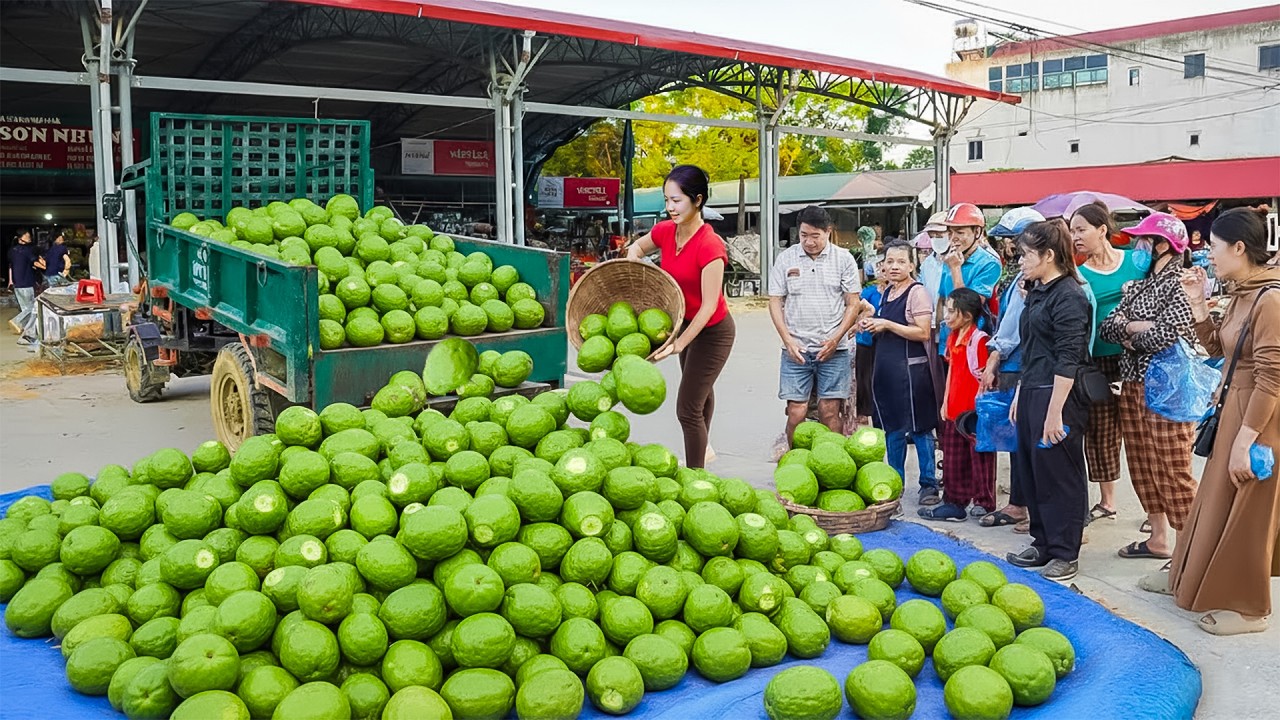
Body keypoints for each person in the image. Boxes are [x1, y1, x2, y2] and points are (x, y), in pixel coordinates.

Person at [1158, 208, 1280, 636]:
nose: (1207, 254)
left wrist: (1246, 440)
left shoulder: (1270, 300)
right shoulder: (1244, 292)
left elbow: (1272, 377)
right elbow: (1217, 349)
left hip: (1258, 416)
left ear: (1239, 248)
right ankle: (1190, 579)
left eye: (1213, 246)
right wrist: (1197, 303)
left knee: (1249, 510)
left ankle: (1249, 609)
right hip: (1236, 408)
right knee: (1216, 501)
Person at [1099, 213, 1198, 561]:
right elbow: (1107, 327)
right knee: (1142, 463)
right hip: (1132, 383)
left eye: (1143, 241)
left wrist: (1131, 334)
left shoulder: (1181, 283)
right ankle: (1158, 539)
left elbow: (1166, 335)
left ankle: (1189, 551)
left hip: (1168, 388)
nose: (1137, 247)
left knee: (1173, 467)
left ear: (1162, 245)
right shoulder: (1139, 284)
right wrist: (1134, 328)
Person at [626, 165, 734, 468]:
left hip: (712, 331)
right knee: (700, 393)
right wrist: (635, 263)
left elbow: (709, 306)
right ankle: (703, 447)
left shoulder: (710, 245)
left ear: (697, 200)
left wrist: (679, 344)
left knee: (687, 409)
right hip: (684, 322)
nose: (670, 207)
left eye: (677, 201)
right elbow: (636, 248)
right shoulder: (665, 231)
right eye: (667, 200)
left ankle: (695, 474)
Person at [1005, 221, 1092, 582]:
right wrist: (1020, 392)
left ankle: (1065, 551)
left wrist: (1055, 412)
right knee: (1033, 471)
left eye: (1026, 254)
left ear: (1049, 255)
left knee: (1060, 474)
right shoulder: (1038, 291)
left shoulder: (1069, 295)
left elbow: (1069, 356)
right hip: (1033, 388)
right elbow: (1031, 348)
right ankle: (1042, 541)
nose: (1020, 261)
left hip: (1060, 394)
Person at [1071, 202, 1147, 525]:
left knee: (1141, 432)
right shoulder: (1080, 275)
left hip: (1137, 359)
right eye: (1072, 231)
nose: (1075, 237)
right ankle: (1107, 502)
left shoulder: (1136, 262)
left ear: (1102, 230)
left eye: (1081, 229)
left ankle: (1153, 510)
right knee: (1101, 432)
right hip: (1099, 361)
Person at [767, 205, 861, 444]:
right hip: (796, 350)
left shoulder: (843, 259)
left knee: (829, 411)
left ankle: (835, 456)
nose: (809, 242)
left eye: (815, 236)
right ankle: (794, 458)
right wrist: (788, 341)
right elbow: (775, 301)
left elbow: (853, 303)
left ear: (828, 231)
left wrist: (836, 339)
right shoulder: (786, 258)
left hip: (834, 349)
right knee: (796, 412)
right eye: (804, 235)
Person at [977, 207, 1046, 532]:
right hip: (1013, 364)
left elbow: (1014, 328)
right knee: (1017, 441)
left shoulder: (1037, 281)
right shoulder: (1019, 276)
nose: (1010, 248)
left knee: (1032, 442)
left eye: (1014, 241)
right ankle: (1020, 502)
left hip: (1025, 367)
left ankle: (1031, 507)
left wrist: (995, 356)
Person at [859, 241, 940, 504]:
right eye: (889, 262)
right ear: (882, 266)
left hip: (912, 372)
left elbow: (923, 332)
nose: (894, 267)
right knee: (892, 429)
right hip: (887, 372)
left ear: (912, 265)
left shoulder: (917, 293)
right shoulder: (887, 293)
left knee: (920, 428)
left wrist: (886, 324)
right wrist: (871, 322)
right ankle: (895, 484)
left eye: (901, 262)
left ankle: (928, 485)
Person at [919, 287, 996, 521]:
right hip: (954, 411)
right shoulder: (953, 337)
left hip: (974, 413)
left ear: (967, 316)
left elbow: (985, 380)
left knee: (980, 458)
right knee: (953, 459)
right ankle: (954, 501)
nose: (947, 316)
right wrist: (945, 403)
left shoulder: (979, 340)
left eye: (952, 311)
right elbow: (952, 371)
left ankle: (984, 501)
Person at [937, 203, 1003, 355]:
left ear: (977, 232)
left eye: (960, 232)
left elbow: (967, 306)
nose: (953, 238)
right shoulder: (950, 258)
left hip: (971, 342)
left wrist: (955, 268)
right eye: (950, 232)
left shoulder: (989, 263)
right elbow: (942, 298)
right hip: (947, 339)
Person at [854, 258, 884, 426]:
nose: (884, 273)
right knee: (863, 376)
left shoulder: (897, 293)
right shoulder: (869, 292)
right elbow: (855, 310)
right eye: (881, 269)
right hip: (866, 340)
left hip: (885, 341)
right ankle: (863, 410)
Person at [7, 230, 41, 348]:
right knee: (31, 308)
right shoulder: (27, 250)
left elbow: (11, 265)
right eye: (27, 236)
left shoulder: (12, 251)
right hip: (26, 283)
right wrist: (45, 267)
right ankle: (17, 322)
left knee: (25, 308)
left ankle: (25, 330)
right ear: (20, 238)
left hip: (17, 283)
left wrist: (11, 281)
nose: (29, 237)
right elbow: (34, 262)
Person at [918, 212, 948, 309]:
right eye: (931, 236)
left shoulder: (961, 261)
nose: (935, 239)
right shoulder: (927, 264)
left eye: (939, 235)